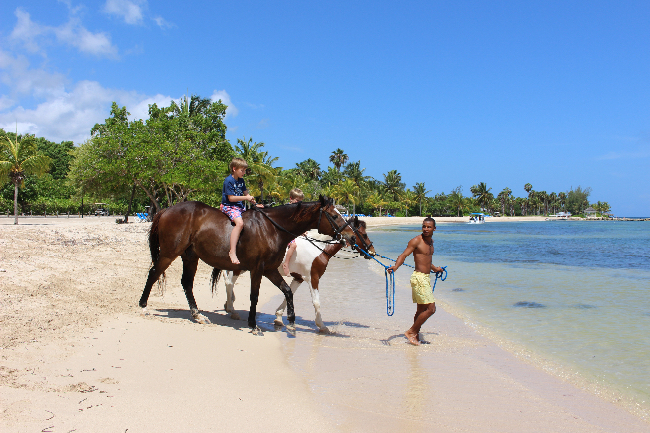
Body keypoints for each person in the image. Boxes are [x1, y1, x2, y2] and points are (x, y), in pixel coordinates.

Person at [387, 217, 444, 346]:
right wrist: (395, 267)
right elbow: (403, 255)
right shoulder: (416, 241)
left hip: (426, 278)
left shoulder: (431, 243)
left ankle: (415, 337)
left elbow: (427, 261)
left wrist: (436, 269)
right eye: (424, 226)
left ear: (434, 228)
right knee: (431, 309)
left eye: (429, 227)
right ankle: (411, 331)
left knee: (420, 310)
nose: (426, 229)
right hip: (419, 278)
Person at [221, 157, 261, 264]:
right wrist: (246, 198)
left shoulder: (241, 181)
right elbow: (231, 198)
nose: (244, 172)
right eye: (242, 170)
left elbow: (247, 194)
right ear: (234, 169)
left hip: (239, 206)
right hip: (229, 206)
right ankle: (232, 251)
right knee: (239, 224)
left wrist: (256, 204)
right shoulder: (228, 181)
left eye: (244, 170)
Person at [281, 188, 305, 276]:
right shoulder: (287, 209)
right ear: (291, 198)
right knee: (293, 245)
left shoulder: (297, 210)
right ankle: (286, 264)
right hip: (285, 231)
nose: (299, 203)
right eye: (297, 201)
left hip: (292, 231)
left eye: (300, 202)